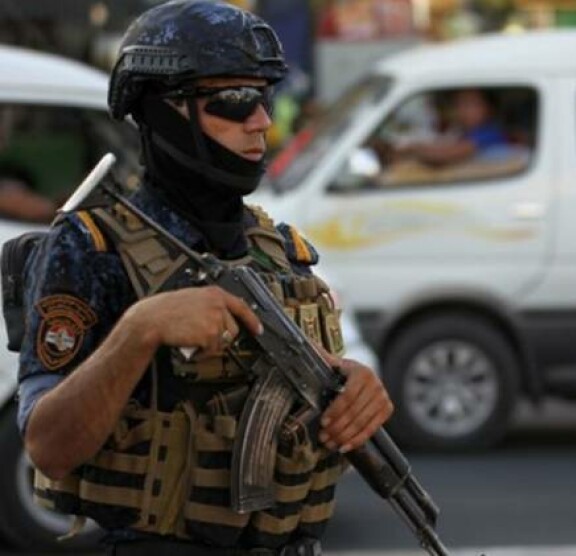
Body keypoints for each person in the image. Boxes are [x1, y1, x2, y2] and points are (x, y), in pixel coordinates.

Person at [15, 1, 393, 554]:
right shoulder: (90, 247)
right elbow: (48, 448)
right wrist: (139, 331)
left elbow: (304, 421)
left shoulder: (279, 249)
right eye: (234, 101)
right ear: (162, 110)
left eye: (264, 98)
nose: (261, 121)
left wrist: (353, 392)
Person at [393, 88, 510, 167]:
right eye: (459, 104)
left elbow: (446, 154)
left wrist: (414, 149)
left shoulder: (489, 133)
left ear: (488, 109)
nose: (463, 110)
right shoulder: (464, 132)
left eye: (470, 104)